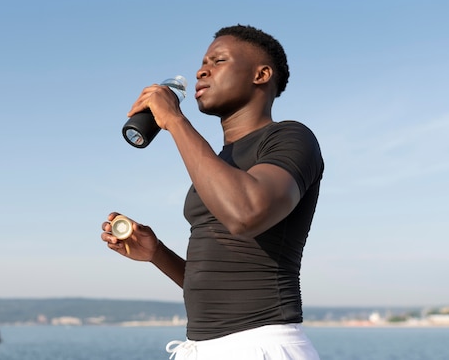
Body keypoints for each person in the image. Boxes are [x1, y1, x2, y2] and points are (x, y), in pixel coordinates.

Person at [101, 24, 324, 359]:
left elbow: (246, 213)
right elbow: (219, 283)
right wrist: (157, 253)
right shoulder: (218, 162)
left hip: (260, 344)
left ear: (261, 74)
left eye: (218, 61)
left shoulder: (290, 138)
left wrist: (175, 121)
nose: (201, 71)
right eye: (203, 62)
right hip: (205, 347)